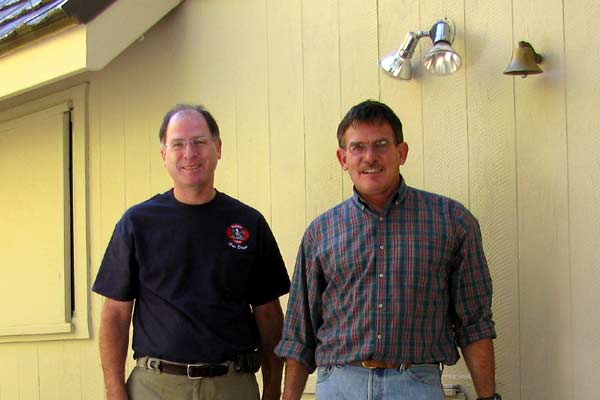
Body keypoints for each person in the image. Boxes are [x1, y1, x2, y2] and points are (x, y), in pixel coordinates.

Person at [275, 100, 500, 400]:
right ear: (343, 158)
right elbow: (299, 334)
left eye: (381, 144)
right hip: (340, 385)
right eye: (357, 148)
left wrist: (489, 397)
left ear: (401, 152)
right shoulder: (321, 232)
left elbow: (474, 324)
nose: (370, 157)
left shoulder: (452, 221)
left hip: (415, 384)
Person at [93, 104, 290, 400]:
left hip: (232, 386)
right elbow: (115, 316)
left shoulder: (249, 224)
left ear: (218, 148)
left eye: (199, 142)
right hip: (155, 387)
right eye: (178, 144)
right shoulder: (137, 224)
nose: (189, 153)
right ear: (164, 155)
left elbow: (270, 317)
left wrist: (273, 388)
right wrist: (114, 389)